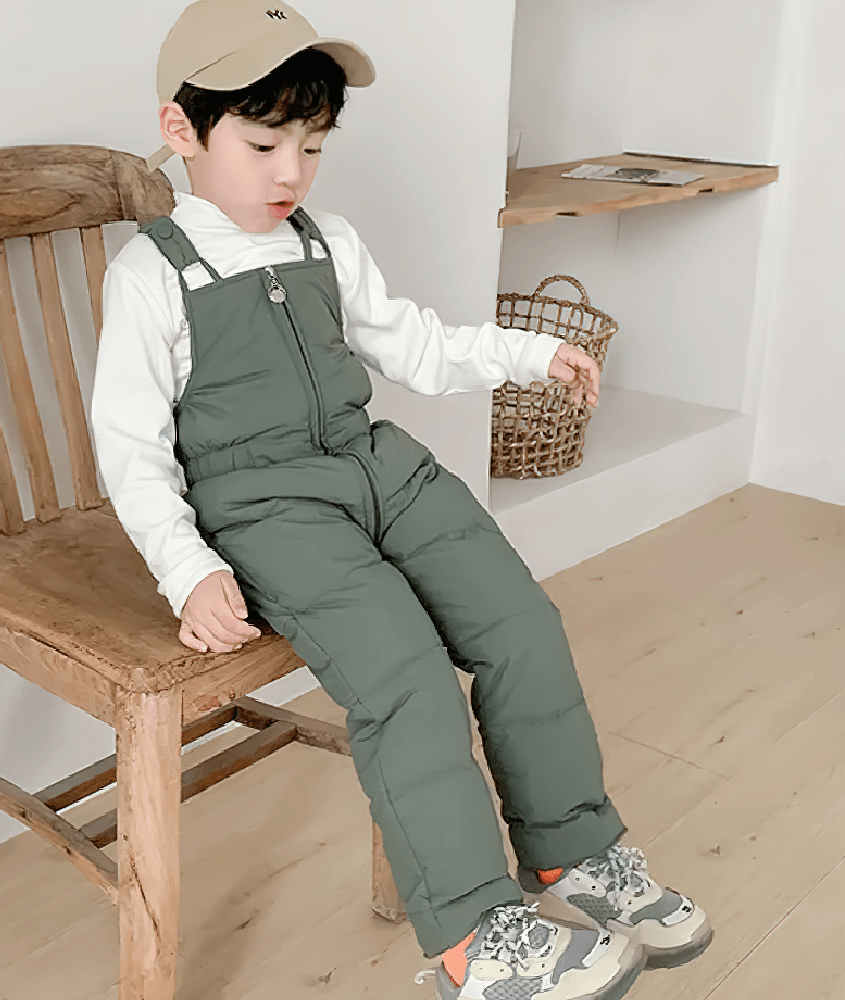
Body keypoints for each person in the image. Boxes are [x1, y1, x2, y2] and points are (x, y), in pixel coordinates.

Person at [91, 2, 713, 996]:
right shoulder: (153, 275)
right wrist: (188, 565)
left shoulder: (323, 240)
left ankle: (570, 852)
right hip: (264, 505)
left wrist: (527, 354)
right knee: (408, 678)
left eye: (311, 144)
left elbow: (414, 345)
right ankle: (474, 936)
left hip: (374, 465)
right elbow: (128, 450)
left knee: (521, 622)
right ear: (182, 130)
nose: (289, 172)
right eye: (261, 143)